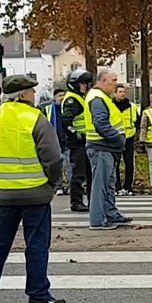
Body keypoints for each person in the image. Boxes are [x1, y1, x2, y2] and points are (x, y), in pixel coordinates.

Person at [0, 75, 68, 303]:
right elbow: (53, 158)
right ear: (23, 94)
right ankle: (38, 297)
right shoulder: (36, 119)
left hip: (4, 195)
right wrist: (52, 183)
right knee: (36, 245)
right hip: (35, 194)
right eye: (32, 92)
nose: (34, 96)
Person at [85, 69, 131, 230]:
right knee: (101, 185)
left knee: (108, 184)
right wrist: (117, 139)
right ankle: (98, 219)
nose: (115, 84)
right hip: (102, 147)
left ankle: (110, 214)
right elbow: (101, 124)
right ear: (103, 81)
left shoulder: (101, 97)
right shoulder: (97, 99)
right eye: (113, 80)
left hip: (106, 148)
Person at [60, 69, 94, 212]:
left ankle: (92, 200)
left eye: (86, 83)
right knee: (79, 173)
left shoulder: (81, 97)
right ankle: (76, 202)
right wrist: (77, 135)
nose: (85, 86)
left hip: (86, 141)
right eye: (82, 83)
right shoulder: (72, 100)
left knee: (89, 173)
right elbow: (66, 122)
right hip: (78, 143)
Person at [113, 84, 138, 195]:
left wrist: (133, 133)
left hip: (129, 138)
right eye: (120, 91)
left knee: (129, 164)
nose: (122, 93)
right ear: (115, 93)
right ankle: (117, 187)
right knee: (115, 164)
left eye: (123, 91)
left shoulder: (132, 106)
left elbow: (137, 122)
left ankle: (128, 187)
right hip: (115, 138)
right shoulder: (110, 106)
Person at [49, 87, 71, 195]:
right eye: (59, 96)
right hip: (55, 141)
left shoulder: (68, 108)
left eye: (63, 95)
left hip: (67, 140)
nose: (62, 98)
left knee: (70, 164)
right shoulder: (49, 109)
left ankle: (71, 186)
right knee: (58, 166)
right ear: (54, 98)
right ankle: (59, 187)